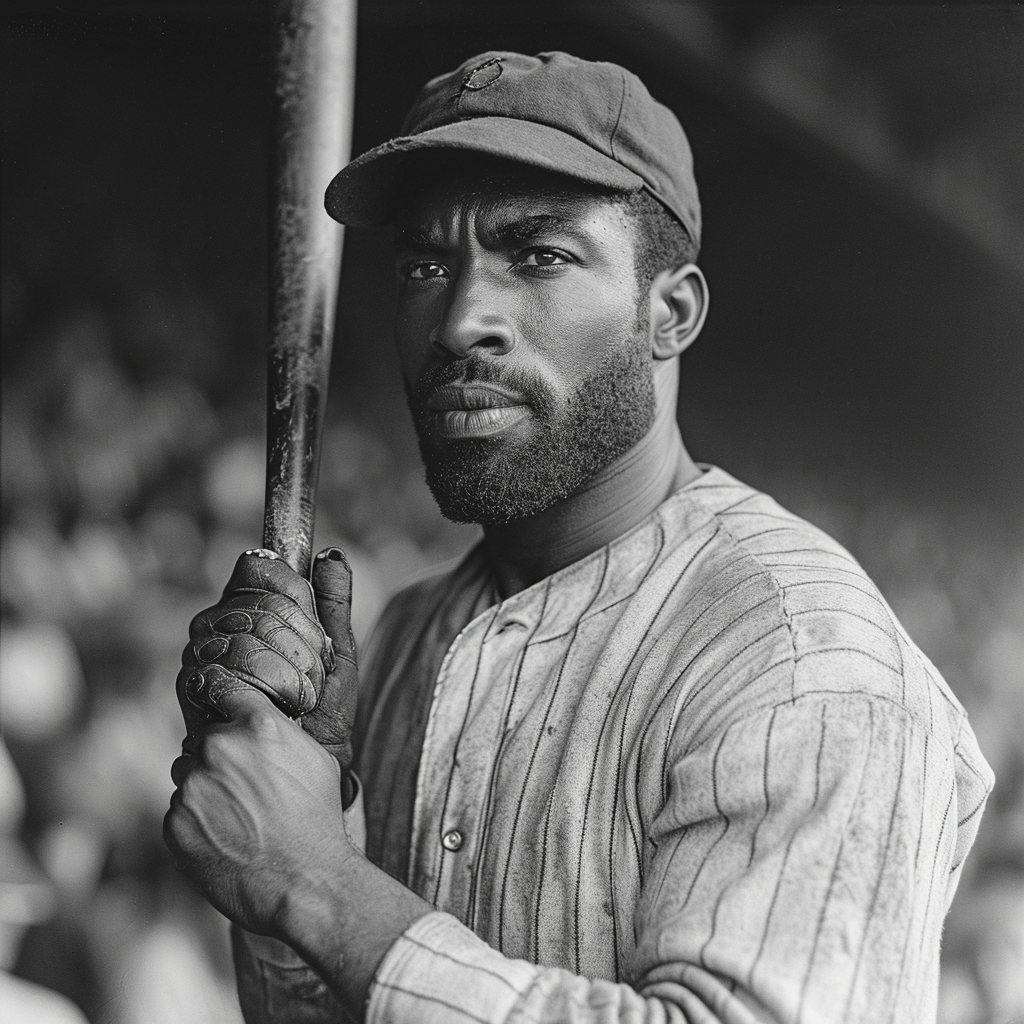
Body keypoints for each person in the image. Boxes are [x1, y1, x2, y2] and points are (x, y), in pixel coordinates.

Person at [164, 51, 995, 1024]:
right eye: (426, 263)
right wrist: (311, 805)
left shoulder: (803, 657)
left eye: (539, 255)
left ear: (669, 312)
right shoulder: (398, 641)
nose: (462, 317)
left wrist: (319, 884)